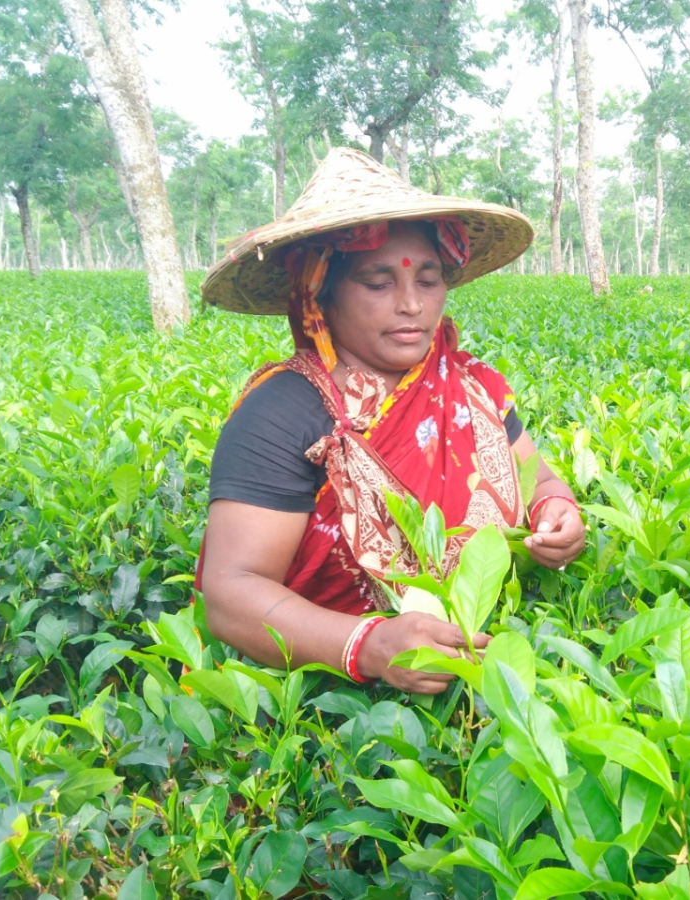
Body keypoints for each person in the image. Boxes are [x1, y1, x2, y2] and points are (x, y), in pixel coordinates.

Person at [196, 148, 585, 693]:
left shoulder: (474, 385)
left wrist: (557, 511)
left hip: (489, 679)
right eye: (378, 284)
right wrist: (369, 646)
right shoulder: (283, 411)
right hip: (331, 704)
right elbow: (232, 592)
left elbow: (537, 479)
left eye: (427, 281)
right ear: (319, 293)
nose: (411, 305)